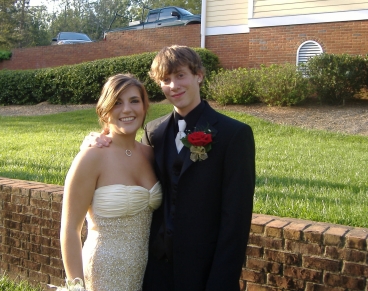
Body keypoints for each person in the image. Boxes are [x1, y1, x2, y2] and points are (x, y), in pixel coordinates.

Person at [83, 45, 256, 290]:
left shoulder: (234, 135)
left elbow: (236, 221)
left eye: (180, 75)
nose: (173, 86)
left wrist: (221, 282)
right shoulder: (155, 132)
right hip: (155, 272)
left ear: (199, 75)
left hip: (205, 274)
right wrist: (94, 139)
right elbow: (131, 166)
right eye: (166, 80)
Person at [60, 74, 162, 291]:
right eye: (117, 102)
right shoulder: (91, 157)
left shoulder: (151, 155)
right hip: (103, 273)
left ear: (144, 107)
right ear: (104, 110)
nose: (126, 109)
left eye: (134, 101)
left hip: (146, 273)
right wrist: (76, 286)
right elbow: (70, 229)